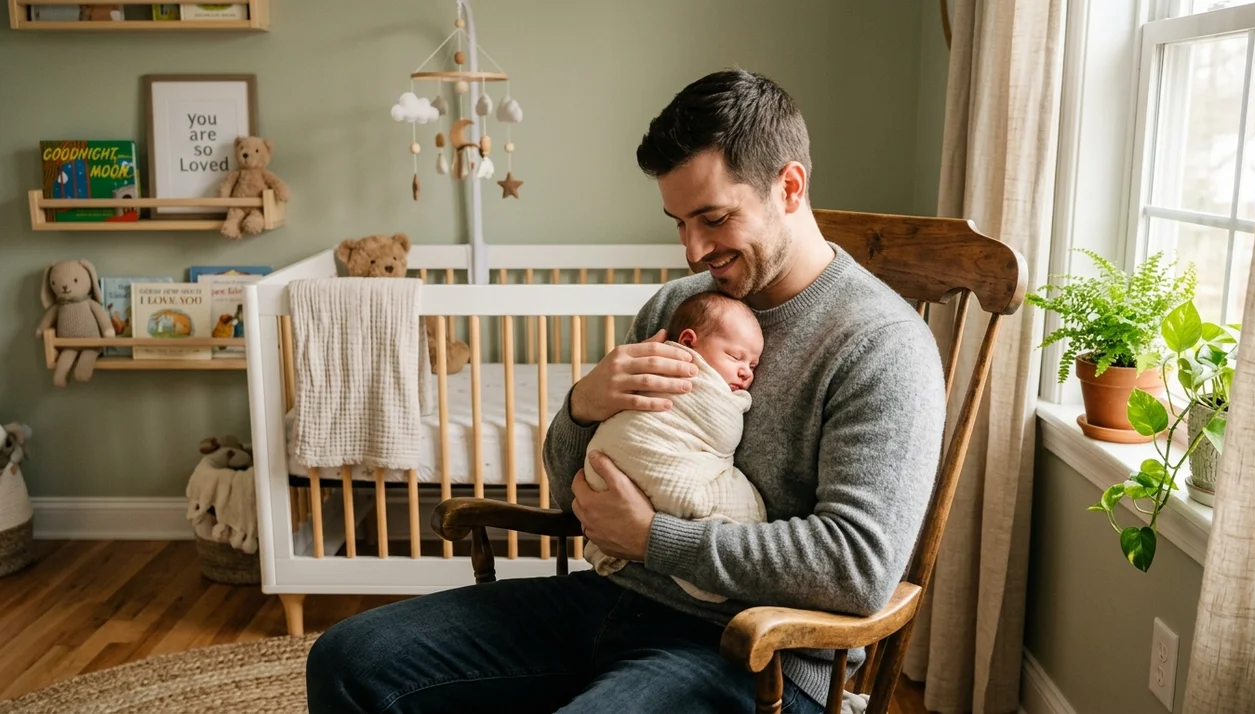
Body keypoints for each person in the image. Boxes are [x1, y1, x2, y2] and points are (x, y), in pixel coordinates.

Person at [306, 67, 946, 714]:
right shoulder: (678, 308)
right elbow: (573, 492)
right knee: (348, 661)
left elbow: (856, 569)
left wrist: (652, 540)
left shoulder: (880, 346)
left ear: (790, 186)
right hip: (612, 598)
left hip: (755, 651)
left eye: (714, 218)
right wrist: (583, 407)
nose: (693, 251)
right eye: (678, 222)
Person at [582, 290, 768, 604]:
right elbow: (723, 433)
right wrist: (583, 400)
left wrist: (647, 535)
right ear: (686, 343)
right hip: (609, 591)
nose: (746, 372)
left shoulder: (867, 334)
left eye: (753, 364)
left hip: (715, 628)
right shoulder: (662, 339)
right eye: (735, 357)